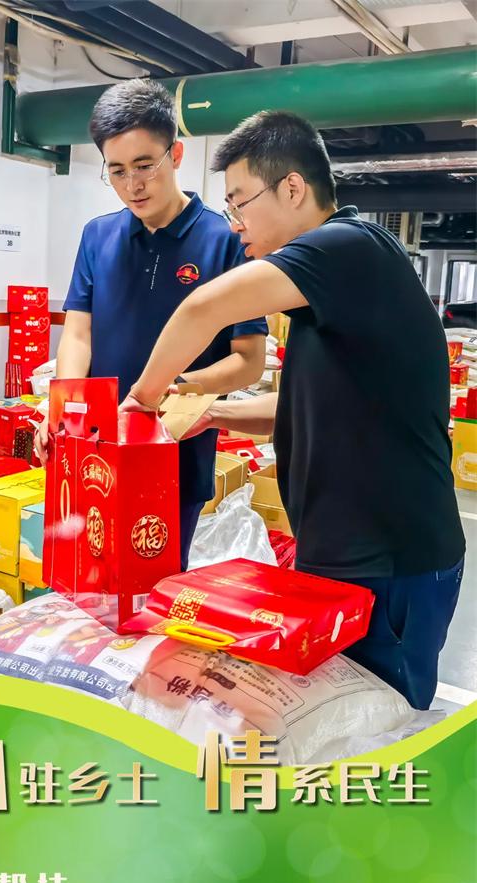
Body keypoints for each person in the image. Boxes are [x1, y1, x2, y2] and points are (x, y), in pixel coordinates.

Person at [124, 110, 465, 711]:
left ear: (291, 188)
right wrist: (215, 415)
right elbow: (310, 403)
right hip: (347, 554)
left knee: (379, 725)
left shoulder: (348, 246)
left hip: (391, 560)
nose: (234, 223)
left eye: (240, 202)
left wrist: (138, 401)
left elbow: (203, 308)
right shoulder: (333, 282)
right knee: (334, 725)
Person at [35, 78, 267, 570]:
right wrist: (60, 410)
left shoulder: (224, 239)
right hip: (92, 448)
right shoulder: (97, 236)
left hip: (174, 453)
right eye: (117, 171)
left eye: (145, 166)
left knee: (154, 589)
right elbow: (78, 334)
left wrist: (171, 391)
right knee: (84, 584)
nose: (132, 185)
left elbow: (248, 361)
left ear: (176, 154)